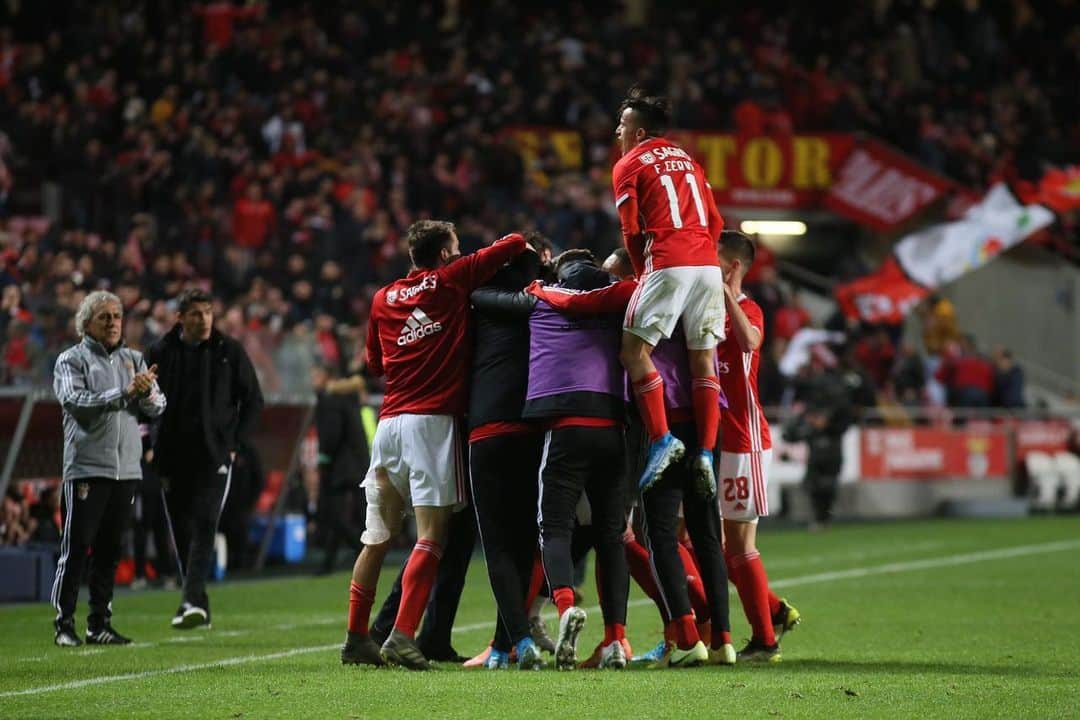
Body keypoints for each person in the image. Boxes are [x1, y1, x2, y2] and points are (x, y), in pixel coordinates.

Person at [340, 221, 527, 670]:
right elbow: (514, 243)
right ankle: (403, 636)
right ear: (445, 254)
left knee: (377, 539)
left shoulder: (382, 297)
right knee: (433, 536)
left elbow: (374, 363)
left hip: (388, 425)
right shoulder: (450, 279)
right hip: (432, 424)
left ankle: (356, 638)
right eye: (456, 248)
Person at [474, 250, 633, 670]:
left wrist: (543, 288)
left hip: (565, 426)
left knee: (554, 525)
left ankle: (564, 608)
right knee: (612, 536)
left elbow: (483, 297)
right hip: (614, 426)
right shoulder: (620, 302)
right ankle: (617, 638)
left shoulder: (540, 303)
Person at [612, 87, 727, 498]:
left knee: (633, 350)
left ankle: (663, 439)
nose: (617, 132)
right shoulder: (690, 161)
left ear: (639, 132)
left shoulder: (629, 162)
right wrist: (704, 256)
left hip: (669, 259)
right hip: (707, 265)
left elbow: (630, 229)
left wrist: (644, 273)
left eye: (622, 125)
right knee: (703, 359)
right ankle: (707, 453)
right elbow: (715, 221)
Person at [51, 290, 166, 646]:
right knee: (76, 547)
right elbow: (76, 401)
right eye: (105, 317)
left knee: (109, 550)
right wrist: (125, 393)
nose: (114, 323)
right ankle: (64, 624)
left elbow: (158, 405)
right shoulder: (71, 360)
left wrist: (145, 393)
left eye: (117, 316)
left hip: (126, 470)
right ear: (86, 324)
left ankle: (98, 622)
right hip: (87, 467)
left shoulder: (134, 359)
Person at [146, 288, 264, 630]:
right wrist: (149, 445)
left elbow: (253, 400)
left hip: (214, 454)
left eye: (209, 311)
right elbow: (143, 400)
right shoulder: (160, 352)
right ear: (180, 317)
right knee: (181, 531)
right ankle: (198, 602)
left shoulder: (229, 351)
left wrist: (234, 443)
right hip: (170, 454)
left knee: (204, 524)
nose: (205, 318)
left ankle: (188, 601)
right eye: (196, 313)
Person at [716, 231, 800, 663]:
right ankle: (771, 612)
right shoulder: (704, 307)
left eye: (713, 257)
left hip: (742, 441)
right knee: (695, 542)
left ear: (731, 266)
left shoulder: (748, 308)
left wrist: (728, 294)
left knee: (738, 547)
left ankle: (765, 639)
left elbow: (749, 341)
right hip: (711, 441)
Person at [464, 236, 546, 669]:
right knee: (521, 543)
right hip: (531, 428)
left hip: (487, 428)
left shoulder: (479, 300)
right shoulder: (547, 303)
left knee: (496, 545)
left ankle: (517, 642)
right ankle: (507, 643)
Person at [311, 365, 368, 575]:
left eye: (315, 374)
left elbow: (330, 436)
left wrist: (324, 458)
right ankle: (330, 562)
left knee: (332, 513)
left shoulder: (329, 401)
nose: (313, 379)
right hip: (359, 463)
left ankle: (358, 549)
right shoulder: (351, 399)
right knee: (356, 513)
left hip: (340, 467)